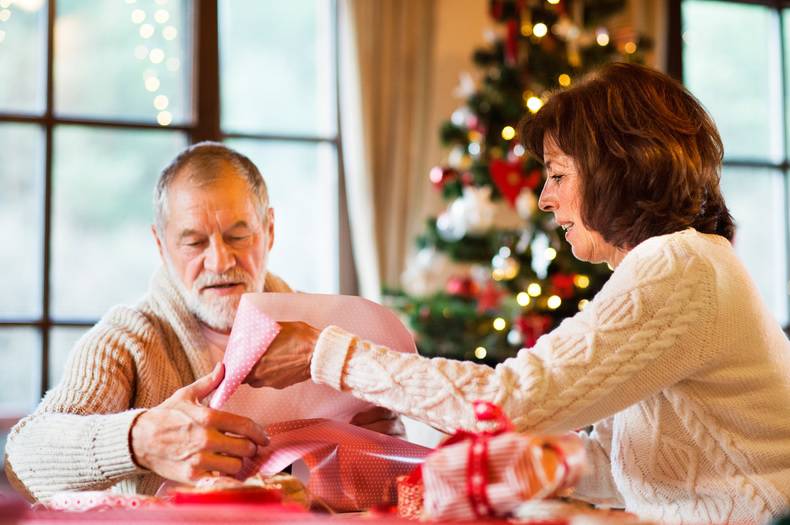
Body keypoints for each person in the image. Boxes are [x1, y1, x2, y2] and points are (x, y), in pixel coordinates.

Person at [246, 63, 790, 524]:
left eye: (557, 175)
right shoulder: (688, 263)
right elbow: (630, 465)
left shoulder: (678, 265)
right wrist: (505, 465)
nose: (546, 199)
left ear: (616, 169)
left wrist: (326, 354)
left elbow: (512, 401)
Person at [4, 142, 401, 502]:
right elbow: (23, 460)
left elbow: (369, 491)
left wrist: (381, 453)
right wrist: (141, 439)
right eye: (194, 242)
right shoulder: (127, 340)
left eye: (238, 236)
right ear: (161, 245)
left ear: (270, 231)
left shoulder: (327, 335)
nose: (220, 261)